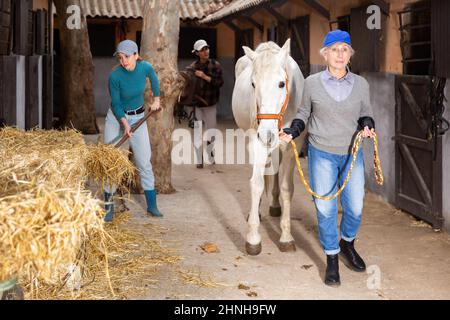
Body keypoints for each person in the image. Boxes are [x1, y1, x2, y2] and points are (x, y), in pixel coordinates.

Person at [280, 30, 376, 286]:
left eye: (345, 49)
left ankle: (347, 243)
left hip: (352, 154)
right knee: (325, 209)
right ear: (325, 54)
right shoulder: (312, 83)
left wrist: (367, 124)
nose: (340, 54)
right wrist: (293, 130)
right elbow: (303, 113)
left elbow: (365, 112)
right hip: (322, 153)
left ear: (350, 54)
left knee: (355, 207)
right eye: (334, 49)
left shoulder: (361, 84)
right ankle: (332, 258)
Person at [104, 39, 162, 222]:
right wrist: (125, 123)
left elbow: (153, 78)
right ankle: (109, 208)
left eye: (127, 57)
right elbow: (116, 103)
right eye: (120, 57)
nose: (124, 61)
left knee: (144, 162)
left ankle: (152, 206)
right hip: (116, 118)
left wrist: (157, 99)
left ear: (136, 55)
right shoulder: (115, 76)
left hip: (139, 118)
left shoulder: (144, 67)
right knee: (111, 162)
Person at [184, 39, 224, 169]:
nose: (206, 51)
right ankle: (199, 158)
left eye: (206, 48)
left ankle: (210, 152)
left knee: (211, 131)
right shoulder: (191, 68)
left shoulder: (215, 65)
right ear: (197, 53)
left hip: (210, 104)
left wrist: (204, 76)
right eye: (202, 50)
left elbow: (219, 83)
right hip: (195, 106)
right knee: (196, 132)